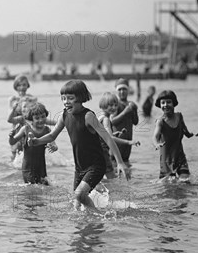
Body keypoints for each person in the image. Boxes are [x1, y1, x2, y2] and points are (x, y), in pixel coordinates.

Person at [27, 80, 130, 210]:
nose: (66, 102)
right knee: (76, 205)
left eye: (70, 98)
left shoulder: (88, 116)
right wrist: (36, 141)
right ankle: (87, 226)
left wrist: (120, 162)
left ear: (80, 98)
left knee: (80, 195)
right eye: (63, 98)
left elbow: (108, 139)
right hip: (79, 168)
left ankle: (97, 218)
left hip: (96, 165)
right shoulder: (64, 115)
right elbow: (52, 136)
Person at [153, 90, 197, 182]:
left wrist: (190, 134)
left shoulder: (179, 116)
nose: (165, 105)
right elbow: (155, 136)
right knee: (169, 186)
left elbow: (185, 130)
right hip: (166, 160)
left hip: (180, 157)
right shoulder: (160, 122)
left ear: (174, 103)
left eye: (168, 102)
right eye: (163, 103)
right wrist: (156, 144)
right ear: (160, 105)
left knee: (185, 182)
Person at [8, 102, 57, 185]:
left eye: (43, 117)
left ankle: (32, 140)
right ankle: (31, 140)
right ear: (32, 119)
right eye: (37, 118)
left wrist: (53, 147)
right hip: (28, 167)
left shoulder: (47, 130)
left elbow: (54, 144)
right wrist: (11, 137)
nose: (40, 120)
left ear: (46, 116)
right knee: (31, 188)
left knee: (44, 186)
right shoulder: (26, 129)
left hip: (41, 166)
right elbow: (12, 142)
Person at [98, 92, 141, 180]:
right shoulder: (106, 119)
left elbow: (103, 135)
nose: (113, 107)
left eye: (115, 105)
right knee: (112, 178)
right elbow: (109, 138)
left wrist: (115, 133)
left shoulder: (100, 117)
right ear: (103, 105)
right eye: (110, 105)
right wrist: (129, 142)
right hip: (103, 153)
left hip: (97, 152)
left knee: (103, 177)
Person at [111, 78, 139, 164]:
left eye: (124, 89)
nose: (122, 92)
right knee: (114, 163)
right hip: (117, 141)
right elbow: (112, 121)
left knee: (126, 163)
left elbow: (135, 122)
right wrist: (125, 112)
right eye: (119, 89)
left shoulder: (131, 104)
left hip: (128, 141)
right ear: (116, 91)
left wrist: (134, 110)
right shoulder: (115, 104)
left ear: (128, 90)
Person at [8, 75, 32, 160]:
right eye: (19, 85)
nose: (22, 87)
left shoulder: (30, 98)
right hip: (16, 127)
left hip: (27, 127)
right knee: (15, 151)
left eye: (24, 85)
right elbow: (10, 117)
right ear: (16, 86)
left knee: (28, 149)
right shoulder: (13, 99)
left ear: (27, 86)